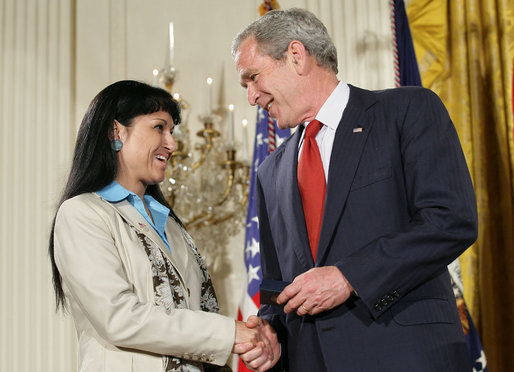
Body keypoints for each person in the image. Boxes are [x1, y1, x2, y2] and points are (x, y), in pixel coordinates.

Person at [232, 8, 477, 372]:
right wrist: (272, 335)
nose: (251, 97)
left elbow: (450, 220)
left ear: (296, 56)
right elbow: (274, 284)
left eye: (253, 78)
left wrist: (350, 277)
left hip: (406, 355)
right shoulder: (271, 171)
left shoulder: (407, 111)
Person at [49, 80, 276, 372]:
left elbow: (204, 315)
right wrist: (230, 333)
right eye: (159, 128)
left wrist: (248, 342)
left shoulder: (171, 225)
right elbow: (118, 318)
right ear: (116, 131)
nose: (172, 144)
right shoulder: (82, 214)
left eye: (172, 131)